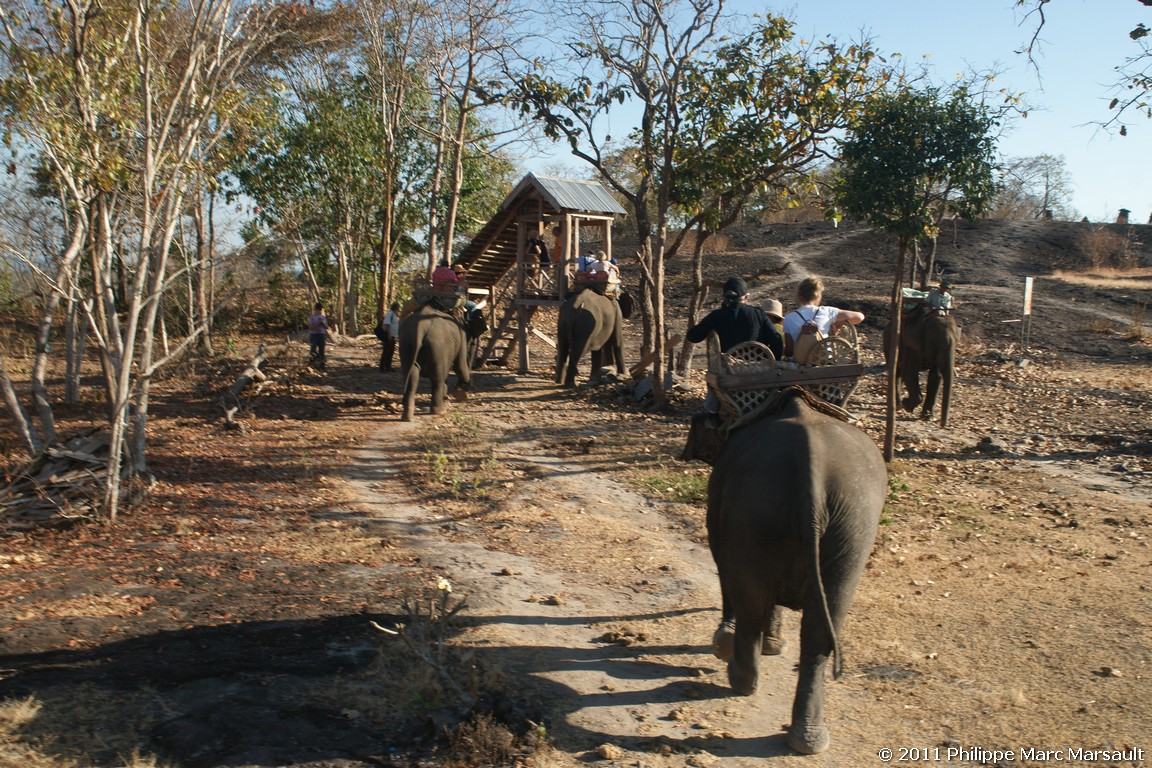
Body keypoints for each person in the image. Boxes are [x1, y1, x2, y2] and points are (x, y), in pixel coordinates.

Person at [782, 276, 864, 360]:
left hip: (800, 361)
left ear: (799, 294)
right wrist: (837, 322)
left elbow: (789, 352)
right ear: (818, 295)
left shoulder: (789, 318)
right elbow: (859, 317)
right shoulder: (827, 311)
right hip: (825, 359)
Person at [375, 301, 401, 372]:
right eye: (398, 307)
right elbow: (387, 325)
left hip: (393, 336)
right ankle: (382, 367)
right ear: (396, 307)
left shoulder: (394, 314)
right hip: (388, 335)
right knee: (386, 351)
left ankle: (388, 367)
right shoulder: (389, 314)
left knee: (390, 352)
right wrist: (389, 335)